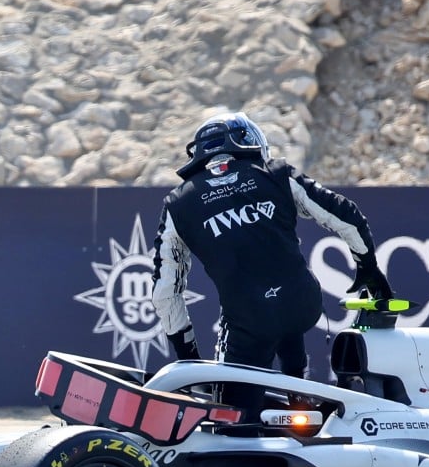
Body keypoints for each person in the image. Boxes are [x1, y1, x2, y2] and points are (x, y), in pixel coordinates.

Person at [152, 112, 391, 396]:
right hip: (303, 305)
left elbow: (165, 293)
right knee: (283, 303)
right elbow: (346, 215)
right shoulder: (277, 173)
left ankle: (243, 422)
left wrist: (187, 357)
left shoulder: (178, 203)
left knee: (231, 417)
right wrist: (368, 268)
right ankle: (298, 389)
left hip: (248, 323)